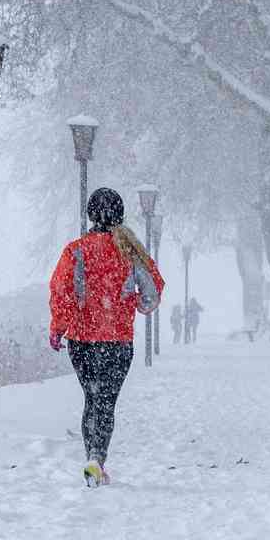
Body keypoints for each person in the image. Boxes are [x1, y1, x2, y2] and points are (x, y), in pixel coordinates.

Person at [49, 188, 164, 487]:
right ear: (121, 214)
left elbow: (61, 292)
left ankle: (92, 457)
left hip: (82, 341)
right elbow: (152, 291)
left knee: (92, 397)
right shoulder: (130, 250)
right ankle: (97, 459)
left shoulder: (75, 251)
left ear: (90, 214)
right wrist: (139, 303)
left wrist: (59, 326)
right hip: (117, 341)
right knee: (106, 402)